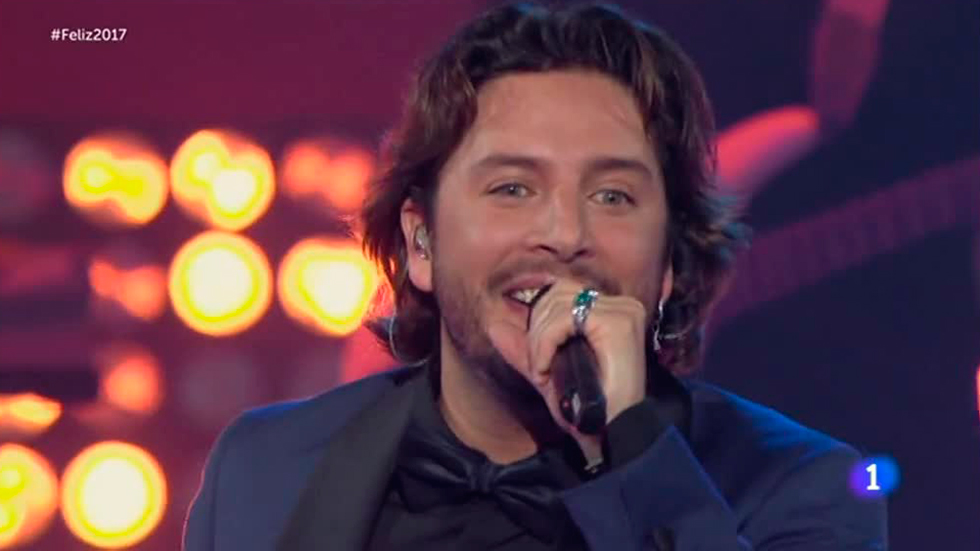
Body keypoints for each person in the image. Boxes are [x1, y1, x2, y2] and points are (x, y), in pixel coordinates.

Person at [183, 2, 888, 550]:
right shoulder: (266, 468)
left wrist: (629, 450)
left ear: (671, 261)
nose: (565, 234)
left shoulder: (803, 490)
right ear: (421, 243)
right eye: (512, 188)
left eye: (612, 195)